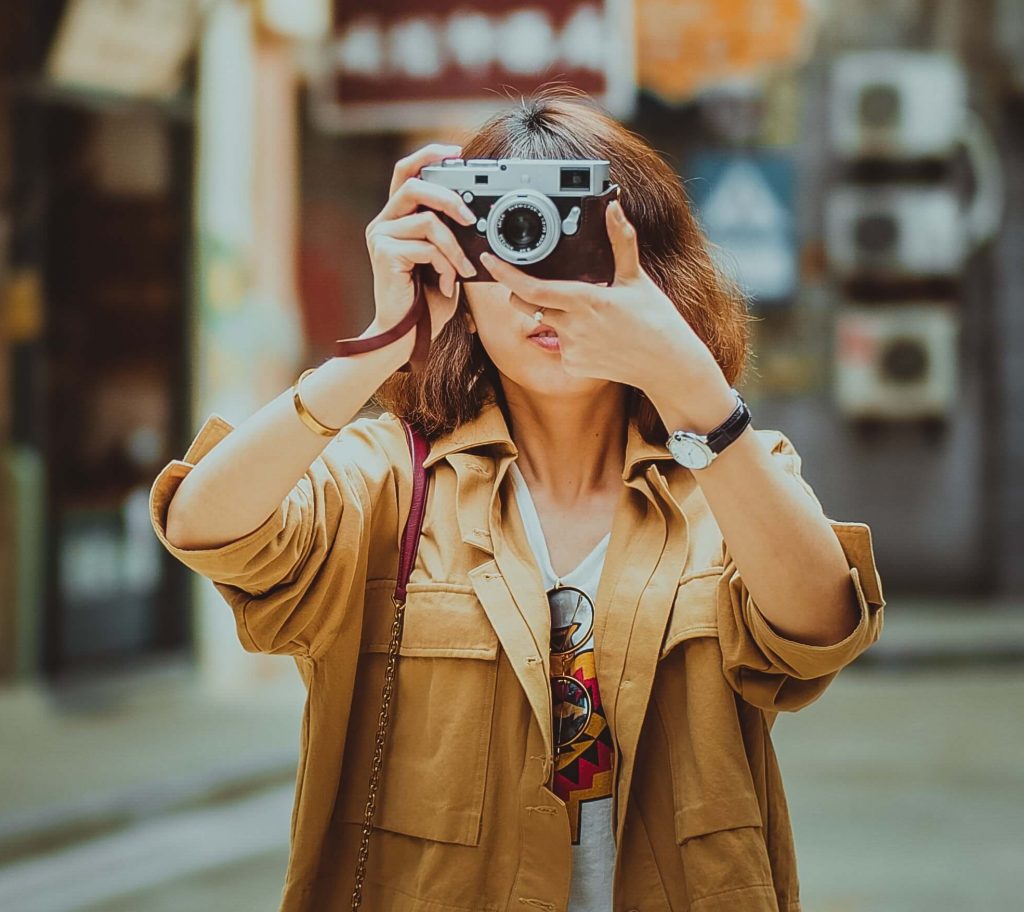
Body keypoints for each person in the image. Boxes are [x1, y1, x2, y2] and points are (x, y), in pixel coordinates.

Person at [150, 88, 885, 912]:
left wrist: (696, 393)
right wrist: (377, 349)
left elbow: (821, 628)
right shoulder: (394, 482)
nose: (541, 284)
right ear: (455, 266)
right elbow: (203, 525)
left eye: (576, 241)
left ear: (655, 274)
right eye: (512, 235)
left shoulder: (728, 476)